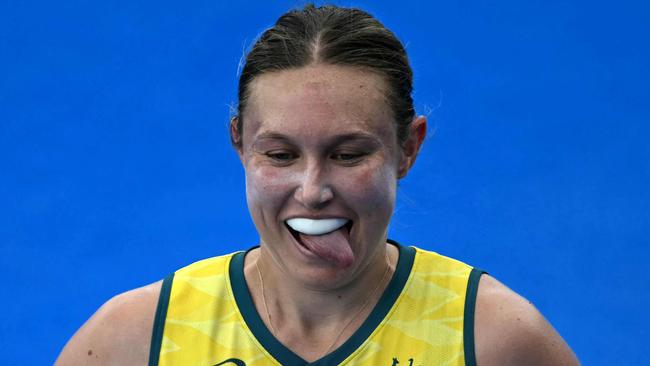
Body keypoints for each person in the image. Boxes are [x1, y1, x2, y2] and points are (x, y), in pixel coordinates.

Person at [56, 4, 579, 366]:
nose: (312, 190)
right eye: (280, 154)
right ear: (240, 145)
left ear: (407, 149)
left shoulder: (492, 340)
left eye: (348, 154)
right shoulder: (137, 340)